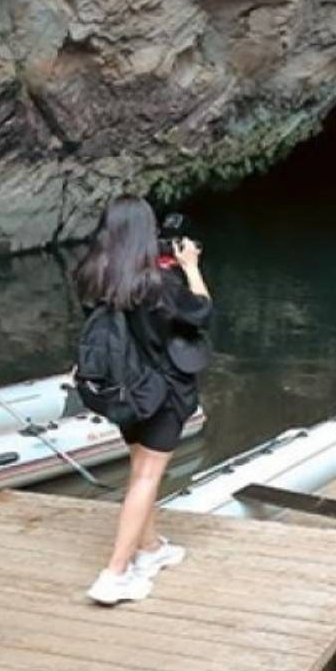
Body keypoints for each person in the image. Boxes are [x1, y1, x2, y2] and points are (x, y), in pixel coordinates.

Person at [76, 195, 213, 605]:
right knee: (148, 476)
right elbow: (202, 312)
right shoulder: (158, 284)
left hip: (123, 389)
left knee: (140, 468)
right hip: (162, 393)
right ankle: (115, 574)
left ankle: (150, 549)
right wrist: (190, 267)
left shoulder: (91, 275)